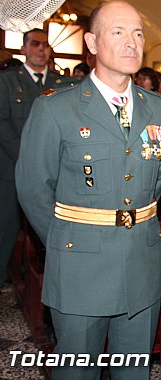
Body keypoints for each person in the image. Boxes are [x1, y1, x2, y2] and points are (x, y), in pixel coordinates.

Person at [15, 0, 161, 379]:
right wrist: (66, 242)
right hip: (80, 265)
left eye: (138, 33)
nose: (132, 42)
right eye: (118, 32)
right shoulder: (57, 108)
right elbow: (33, 187)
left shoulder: (160, 109)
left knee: (134, 370)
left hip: (141, 264)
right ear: (91, 42)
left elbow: (156, 182)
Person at [0, 29, 72, 288]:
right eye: (35, 44)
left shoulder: (60, 83)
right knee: (6, 225)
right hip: (11, 166)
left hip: (53, 172)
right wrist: (27, 158)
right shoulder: (7, 81)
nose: (41, 49)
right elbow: (2, 122)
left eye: (46, 45)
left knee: (49, 225)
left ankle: (50, 281)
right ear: (24, 49)